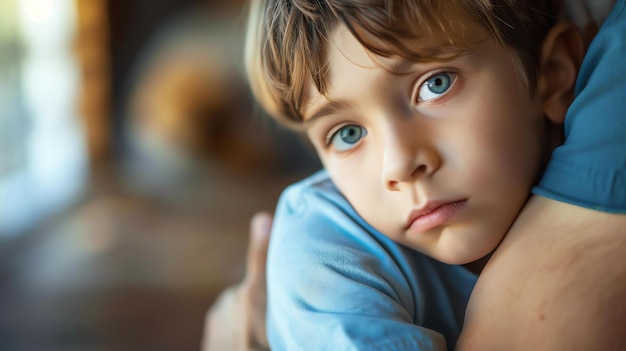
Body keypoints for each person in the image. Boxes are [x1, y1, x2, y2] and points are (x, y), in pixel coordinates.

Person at [204, 0, 626, 349]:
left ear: (552, 76)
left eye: (436, 84)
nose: (400, 165)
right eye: (348, 133)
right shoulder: (326, 255)